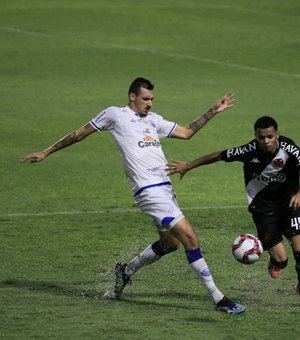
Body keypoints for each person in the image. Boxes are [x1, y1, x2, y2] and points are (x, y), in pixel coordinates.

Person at [20, 77, 246, 314]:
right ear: (132, 96)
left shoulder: (154, 120)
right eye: (145, 99)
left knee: (170, 244)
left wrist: (213, 110)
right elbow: (79, 134)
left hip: (166, 189)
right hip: (148, 191)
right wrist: (46, 151)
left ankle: (125, 271)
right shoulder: (114, 115)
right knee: (191, 237)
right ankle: (219, 299)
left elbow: (187, 132)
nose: (149, 103)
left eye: (152, 99)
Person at [166, 115, 300, 295]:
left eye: (270, 136)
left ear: (277, 135)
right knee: (281, 260)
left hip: (290, 204)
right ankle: (276, 262)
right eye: (261, 137)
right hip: (263, 209)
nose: (266, 141)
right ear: (256, 136)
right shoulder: (249, 150)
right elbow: (219, 155)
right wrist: (188, 165)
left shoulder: (289, 148)